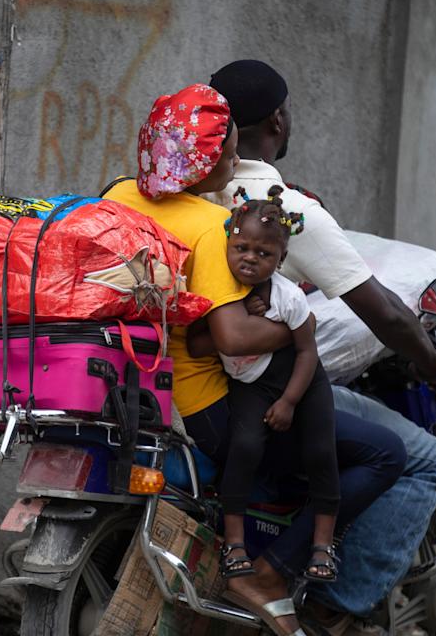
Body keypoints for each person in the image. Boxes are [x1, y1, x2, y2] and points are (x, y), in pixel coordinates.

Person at [104, 83, 407, 636]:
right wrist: (300, 330)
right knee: (386, 453)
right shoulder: (209, 227)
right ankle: (270, 573)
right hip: (209, 408)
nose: (236, 162)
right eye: (230, 152)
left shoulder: (118, 195)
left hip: (138, 384)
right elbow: (234, 338)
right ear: (211, 161)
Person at [206, 60, 436, 635]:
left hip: (183, 376)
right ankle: (329, 606)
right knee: (420, 460)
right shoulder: (282, 208)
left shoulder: (182, 187)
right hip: (254, 384)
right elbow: (386, 312)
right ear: (278, 119)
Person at [189, 186, 341, 587]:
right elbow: (197, 344)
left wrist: (290, 401)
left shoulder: (289, 298)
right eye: (242, 248)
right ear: (228, 243)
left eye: (264, 254)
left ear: (282, 259)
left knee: (321, 451)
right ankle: (234, 545)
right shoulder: (222, 293)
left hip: (300, 380)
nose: (250, 260)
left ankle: (323, 546)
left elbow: (308, 351)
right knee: (244, 448)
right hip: (250, 384)